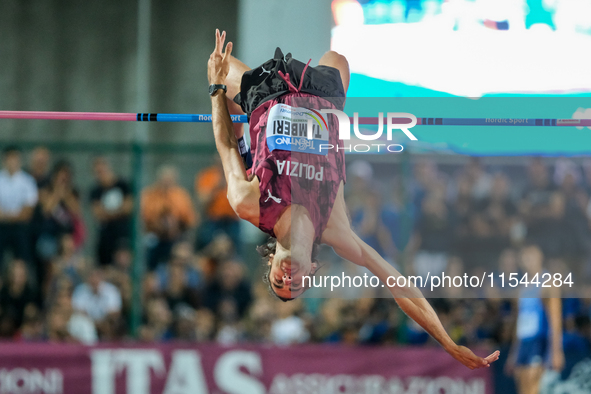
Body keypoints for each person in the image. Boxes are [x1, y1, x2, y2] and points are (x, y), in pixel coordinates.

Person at [206, 29, 499, 369]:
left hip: (270, 94)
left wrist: (215, 89)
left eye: (279, 281)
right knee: (339, 60)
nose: (289, 278)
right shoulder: (335, 228)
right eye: (296, 286)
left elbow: (224, 146)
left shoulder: (249, 204)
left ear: (269, 262)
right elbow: (398, 285)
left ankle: (237, 116)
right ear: (312, 271)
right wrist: (447, 342)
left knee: (220, 70)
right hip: (323, 99)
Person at [505, 244, 564, 394]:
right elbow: (518, 323)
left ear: (540, 258)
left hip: (539, 341)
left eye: (531, 257)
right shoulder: (521, 288)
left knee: (533, 386)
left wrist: (556, 351)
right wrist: (513, 353)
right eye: (525, 258)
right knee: (522, 386)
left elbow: (555, 320)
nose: (528, 261)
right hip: (524, 343)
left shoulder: (548, 283)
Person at [141, 165, 197, 270]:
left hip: (176, 237)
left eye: (170, 180)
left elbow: (189, 221)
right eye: (164, 179)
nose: (166, 183)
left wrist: (175, 226)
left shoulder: (181, 195)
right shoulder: (150, 195)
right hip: (154, 236)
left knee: (183, 251)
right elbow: (144, 219)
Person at [90, 156, 133, 266]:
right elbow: (98, 214)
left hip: (122, 233)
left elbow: (128, 208)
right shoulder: (95, 191)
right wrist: (119, 211)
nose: (101, 174)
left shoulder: (122, 185)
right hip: (106, 235)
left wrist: (107, 213)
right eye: (98, 172)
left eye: (102, 170)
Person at [0, 145, 38, 268]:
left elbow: (27, 213)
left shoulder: (28, 181)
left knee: (22, 261)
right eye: (9, 158)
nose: (12, 161)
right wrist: (16, 214)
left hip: (20, 228)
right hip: (1, 228)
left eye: (15, 158)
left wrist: (6, 215)